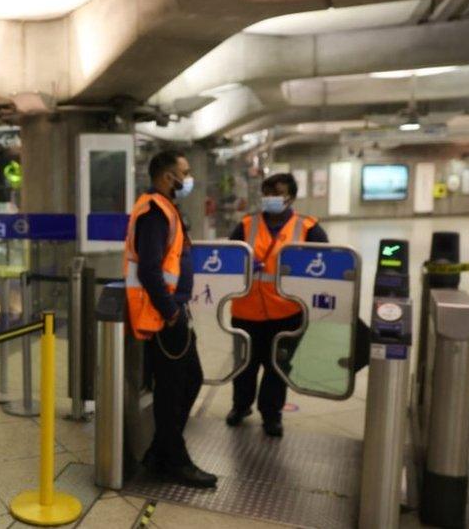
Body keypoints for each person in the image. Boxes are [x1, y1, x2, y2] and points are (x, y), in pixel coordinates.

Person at [124, 150, 217, 488]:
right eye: (185, 172)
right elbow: (149, 270)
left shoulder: (164, 208)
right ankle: (174, 459)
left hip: (170, 311)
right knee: (175, 387)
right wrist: (171, 311)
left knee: (186, 381)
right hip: (162, 315)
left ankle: (160, 451)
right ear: (168, 177)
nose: (188, 178)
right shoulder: (154, 212)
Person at [226, 173, 329, 437]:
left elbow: (326, 264)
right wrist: (244, 262)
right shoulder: (247, 225)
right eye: (267, 193)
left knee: (276, 367)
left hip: (287, 313)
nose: (271, 198)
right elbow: (228, 259)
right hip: (246, 312)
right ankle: (240, 406)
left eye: (278, 193)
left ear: (291, 197)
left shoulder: (308, 227)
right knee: (245, 365)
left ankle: (271, 415)